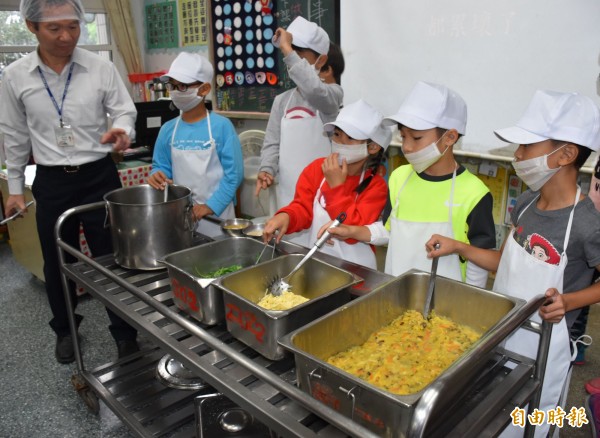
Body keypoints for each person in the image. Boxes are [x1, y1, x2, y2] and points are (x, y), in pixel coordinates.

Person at [425, 90, 600, 437]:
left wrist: (569, 302)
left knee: (531, 423)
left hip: (545, 349)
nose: (518, 157)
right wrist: (458, 246)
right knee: (493, 417)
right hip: (502, 334)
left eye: (526, 148)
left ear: (566, 154)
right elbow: (502, 261)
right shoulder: (525, 205)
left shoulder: (585, 222)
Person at [0, 0, 139, 363]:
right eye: (55, 29)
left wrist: (122, 130)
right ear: (31, 27)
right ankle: (65, 328)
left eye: (73, 27)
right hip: (51, 180)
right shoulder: (16, 76)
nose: (66, 36)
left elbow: (124, 108)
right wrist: (14, 190)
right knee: (55, 259)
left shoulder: (99, 67)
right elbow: (13, 135)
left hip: (99, 175)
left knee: (111, 258)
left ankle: (125, 333)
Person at [322, 82, 496, 287]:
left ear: (449, 137)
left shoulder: (474, 193)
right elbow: (389, 230)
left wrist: (471, 303)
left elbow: (479, 260)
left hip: (447, 305)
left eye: (417, 137)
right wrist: (352, 231)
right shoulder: (399, 177)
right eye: (403, 136)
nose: (407, 146)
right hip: (396, 293)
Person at [262, 99, 390, 269]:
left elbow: (352, 230)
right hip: (319, 264)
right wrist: (287, 216)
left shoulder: (376, 186)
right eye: (337, 135)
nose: (340, 143)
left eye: (350, 138)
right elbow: (302, 207)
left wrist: (336, 188)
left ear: (373, 147)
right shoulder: (317, 169)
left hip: (358, 272)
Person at [255, 16, 344, 245]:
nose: (290, 62)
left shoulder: (331, 95)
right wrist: (267, 168)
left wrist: (286, 49)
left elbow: (314, 89)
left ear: (321, 60)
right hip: (288, 196)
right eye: (288, 55)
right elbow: (272, 143)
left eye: (298, 55)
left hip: (321, 198)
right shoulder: (281, 101)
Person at [147, 52, 244, 238]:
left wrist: (209, 206)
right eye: (172, 86)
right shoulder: (168, 130)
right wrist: (156, 176)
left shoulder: (222, 127)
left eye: (182, 86)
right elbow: (161, 167)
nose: (175, 91)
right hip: (181, 216)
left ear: (204, 89)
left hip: (218, 216)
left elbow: (234, 176)